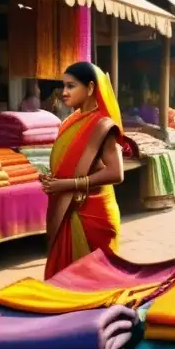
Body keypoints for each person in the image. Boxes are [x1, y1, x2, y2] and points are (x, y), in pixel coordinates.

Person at [40, 62, 125, 279]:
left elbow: (116, 173)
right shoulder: (70, 121)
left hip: (93, 215)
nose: (64, 93)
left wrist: (67, 184)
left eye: (71, 86)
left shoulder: (103, 125)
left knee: (94, 286)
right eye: (64, 86)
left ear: (89, 88)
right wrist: (53, 179)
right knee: (64, 285)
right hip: (69, 207)